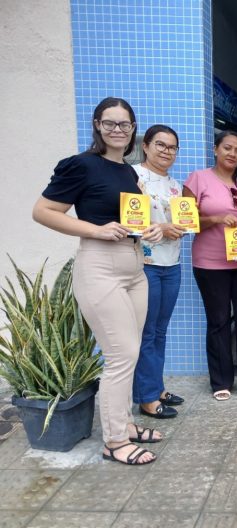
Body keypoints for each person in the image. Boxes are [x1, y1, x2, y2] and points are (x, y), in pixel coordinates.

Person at [32, 97, 164, 465]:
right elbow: (43, 211)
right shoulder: (81, 165)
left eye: (125, 124)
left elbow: (134, 219)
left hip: (134, 267)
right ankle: (115, 441)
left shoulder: (128, 172)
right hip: (100, 266)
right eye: (110, 123)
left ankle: (124, 424)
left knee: (130, 352)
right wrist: (96, 229)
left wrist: (151, 230)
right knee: (121, 355)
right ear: (97, 125)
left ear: (133, 129)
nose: (118, 130)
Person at [183, 130, 237, 401]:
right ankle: (221, 381)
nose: (232, 154)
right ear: (215, 149)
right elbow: (186, 222)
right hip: (210, 264)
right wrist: (216, 219)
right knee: (219, 321)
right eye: (227, 148)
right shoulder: (198, 179)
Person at [132, 125, 187, 419]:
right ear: (146, 146)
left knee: (160, 331)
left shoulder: (176, 186)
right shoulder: (133, 177)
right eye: (160, 145)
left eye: (172, 147)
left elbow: (182, 222)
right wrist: (163, 228)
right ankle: (146, 398)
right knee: (147, 332)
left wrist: (183, 226)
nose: (167, 151)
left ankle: (157, 387)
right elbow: (129, 222)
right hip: (146, 265)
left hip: (172, 264)